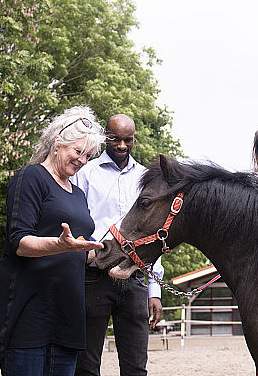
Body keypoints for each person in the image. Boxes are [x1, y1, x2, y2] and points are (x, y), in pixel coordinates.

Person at [0, 107, 106, 376]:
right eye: (78, 152)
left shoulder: (79, 194)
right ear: (58, 142)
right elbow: (20, 242)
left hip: (67, 315)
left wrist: (111, 253)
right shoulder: (31, 177)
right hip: (30, 313)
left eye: (88, 156)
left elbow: (83, 248)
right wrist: (61, 246)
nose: (83, 160)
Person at [72, 114, 164, 376]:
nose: (121, 146)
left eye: (128, 140)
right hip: (94, 276)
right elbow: (76, 224)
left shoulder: (146, 178)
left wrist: (154, 289)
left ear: (134, 139)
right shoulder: (86, 173)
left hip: (134, 278)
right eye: (114, 139)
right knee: (86, 365)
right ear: (104, 137)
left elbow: (153, 235)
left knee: (136, 366)